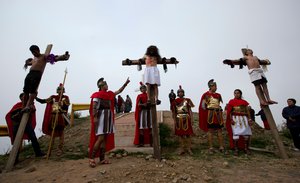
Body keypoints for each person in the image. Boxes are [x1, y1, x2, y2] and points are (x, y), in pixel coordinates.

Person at [89, 77, 130, 167]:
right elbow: (94, 106)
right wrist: (95, 117)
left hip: (108, 117)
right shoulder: (97, 94)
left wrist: (125, 83)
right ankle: (92, 158)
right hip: (101, 117)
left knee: (105, 139)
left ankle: (102, 158)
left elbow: (119, 91)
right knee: (100, 138)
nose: (107, 85)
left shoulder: (110, 94)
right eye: (106, 84)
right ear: (102, 86)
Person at [22, 45, 70, 112]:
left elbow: (54, 58)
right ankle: (23, 107)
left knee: (33, 91)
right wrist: (26, 62)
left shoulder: (44, 56)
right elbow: (28, 63)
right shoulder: (34, 59)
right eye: (32, 52)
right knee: (25, 91)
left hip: (37, 74)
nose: (34, 53)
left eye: (35, 52)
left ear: (38, 50)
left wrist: (64, 56)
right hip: (30, 74)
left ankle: (27, 106)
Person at [5, 93, 45, 164]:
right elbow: (12, 116)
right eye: (22, 97)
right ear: (20, 98)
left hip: (27, 124)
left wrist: (31, 107)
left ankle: (38, 153)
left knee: (33, 138)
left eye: (25, 97)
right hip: (17, 125)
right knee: (16, 142)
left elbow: (33, 111)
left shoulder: (29, 104)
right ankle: (15, 159)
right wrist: (22, 111)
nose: (24, 98)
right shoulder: (17, 105)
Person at [35, 83, 70, 156]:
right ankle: (49, 151)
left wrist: (62, 104)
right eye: (59, 90)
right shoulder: (53, 97)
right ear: (57, 91)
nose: (61, 91)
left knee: (61, 133)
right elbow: (44, 101)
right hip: (54, 117)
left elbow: (66, 106)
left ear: (63, 91)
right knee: (52, 134)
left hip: (61, 116)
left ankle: (60, 149)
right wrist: (36, 98)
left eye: (62, 90)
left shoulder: (66, 97)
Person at [198, 79, 225, 154]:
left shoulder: (218, 95)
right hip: (210, 115)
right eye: (215, 86)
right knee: (210, 131)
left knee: (219, 130)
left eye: (216, 86)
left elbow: (218, 104)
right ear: (211, 86)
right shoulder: (206, 95)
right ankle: (211, 147)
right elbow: (203, 106)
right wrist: (206, 113)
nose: (216, 88)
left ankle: (221, 146)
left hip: (218, 114)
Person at [226, 89, 252, 155]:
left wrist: (249, 119)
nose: (236, 94)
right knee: (236, 133)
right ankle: (236, 149)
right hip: (235, 119)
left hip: (244, 119)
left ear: (240, 94)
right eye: (235, 93)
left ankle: (246, 148)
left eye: (238, 93)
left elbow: (247, 111)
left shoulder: (244, 102)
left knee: (246, 134)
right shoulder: (231, 101)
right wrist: (231, 119)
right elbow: (229, 112)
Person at [171, 85, 195, 155]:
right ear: (177, 94)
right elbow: (174, 112)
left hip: (187, 118)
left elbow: (190, 110)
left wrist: (192, 118)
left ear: (183, 93)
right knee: (181, 135)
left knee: (188, 135)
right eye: (179, 92)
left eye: (181, 92)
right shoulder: (175, 101)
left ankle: (189, 149)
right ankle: (182, 149)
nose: (180, 93)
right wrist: (175, 120)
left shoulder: (188, 100)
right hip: (179, 118)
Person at [133, 82, 152, 147]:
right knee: (141, 128)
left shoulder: (149, 95)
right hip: (143, 112)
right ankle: (141, 143)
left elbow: (152, 102)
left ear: (146, 89)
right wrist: (143, 104)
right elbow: (138, 104)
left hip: (149, 112)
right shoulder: (139, 96)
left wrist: (149, 103)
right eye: (142, 88)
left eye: (144, 88)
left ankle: (151, 142)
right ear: (140, 90)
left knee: (150, 127)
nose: (143, 89)